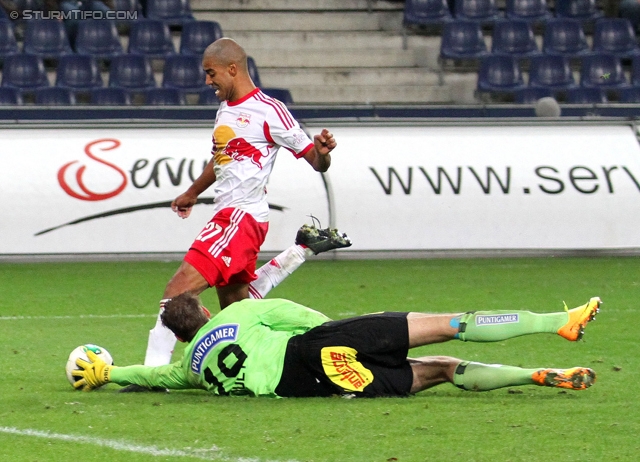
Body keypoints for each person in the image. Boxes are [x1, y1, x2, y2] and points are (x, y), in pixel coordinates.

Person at [127, 38, 348, 387]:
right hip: (232, 216)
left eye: (210, 73)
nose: (207, 82)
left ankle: (152, 375)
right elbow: (221, 159)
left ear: (232, 69)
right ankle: (299, 254)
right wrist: (191, 192)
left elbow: (316, 161)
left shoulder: (270, 110)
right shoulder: (225, 109)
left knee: (176, 297)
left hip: (239, 218)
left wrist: (324, 153)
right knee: (237, 312)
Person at [72, 294, 601, 397]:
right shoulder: (238, 312)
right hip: (319, 347)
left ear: (180, 335)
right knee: (450, 325)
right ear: (206, 311)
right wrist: (359, 332)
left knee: (439, 369)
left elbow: (150, 376)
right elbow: (300, 317)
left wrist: (108, 372)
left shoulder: (191, 369)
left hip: (316, 382)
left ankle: (532, 377)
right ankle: (560, 321)